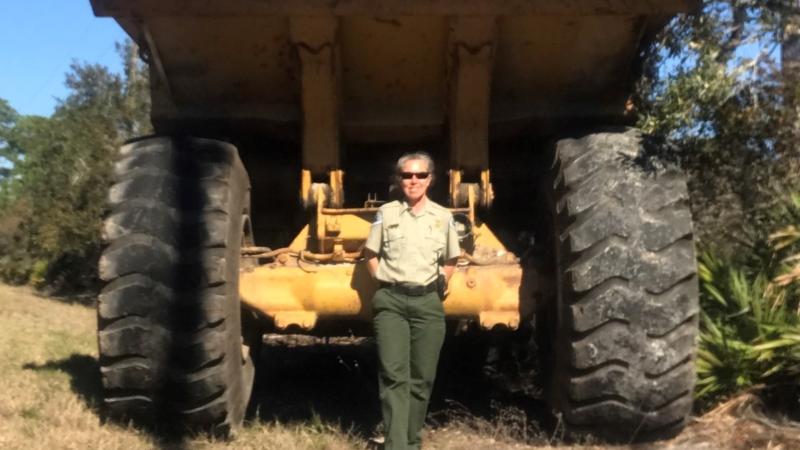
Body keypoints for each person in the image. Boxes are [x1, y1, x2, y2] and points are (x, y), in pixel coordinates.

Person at [363, 152, 461, 450]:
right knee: (394, 377)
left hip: (428, 304)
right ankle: (397, 446)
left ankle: (411, 441)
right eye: (407, 175)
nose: (413, 181)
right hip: (391, 301)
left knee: (422, 380)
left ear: (430, 179)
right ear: (399, 179)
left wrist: (442, 281)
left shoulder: (443, 217)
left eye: (420, 175)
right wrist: (385, 278)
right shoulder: (386, 213)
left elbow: (452, 257)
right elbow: (370, 254)